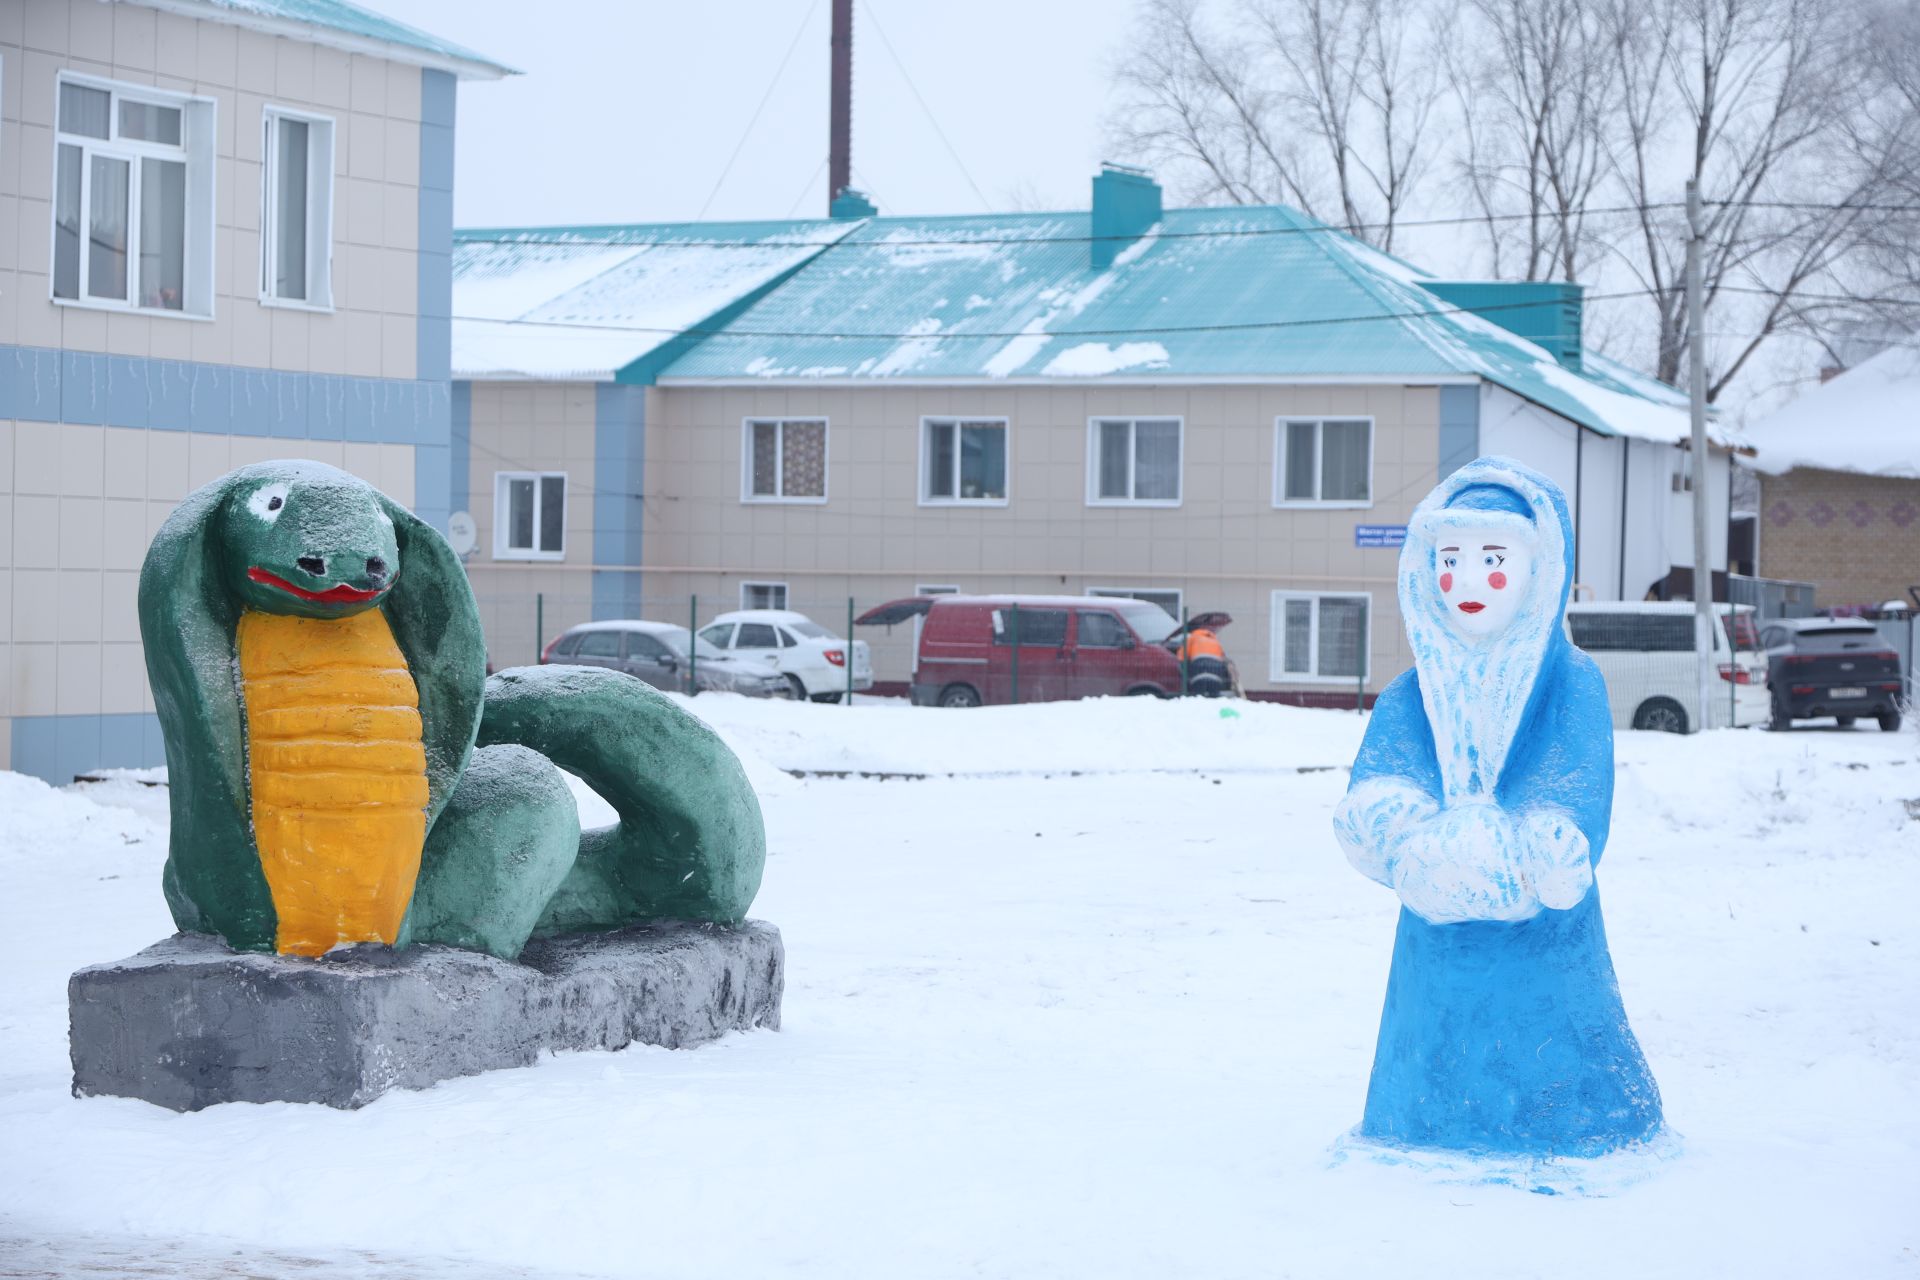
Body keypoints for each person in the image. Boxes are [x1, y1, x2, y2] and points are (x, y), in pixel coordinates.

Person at [1332, 456, 1663, 1157]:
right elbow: (1382, 777)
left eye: (1493, 558)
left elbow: (1577, 780)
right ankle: (1417, 1121)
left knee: (1555, 1044)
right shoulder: (1409, 692)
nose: (1469, 582)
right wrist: (1392, 825)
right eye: (1449, 560)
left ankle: (1576, 1121)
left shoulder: (1571, 681)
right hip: (1432, 918)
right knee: (1432, 1046)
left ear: (1540, 568)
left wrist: (1553, 844)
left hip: (1543, 934)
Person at [1174, 625, 1230, 696]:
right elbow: (1223, 658)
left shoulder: (1192, 638)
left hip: (1199, 667)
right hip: (1216, 669)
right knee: (1214, 694)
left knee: (1199, 693)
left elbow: (1181, 656)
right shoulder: (1215, 641)